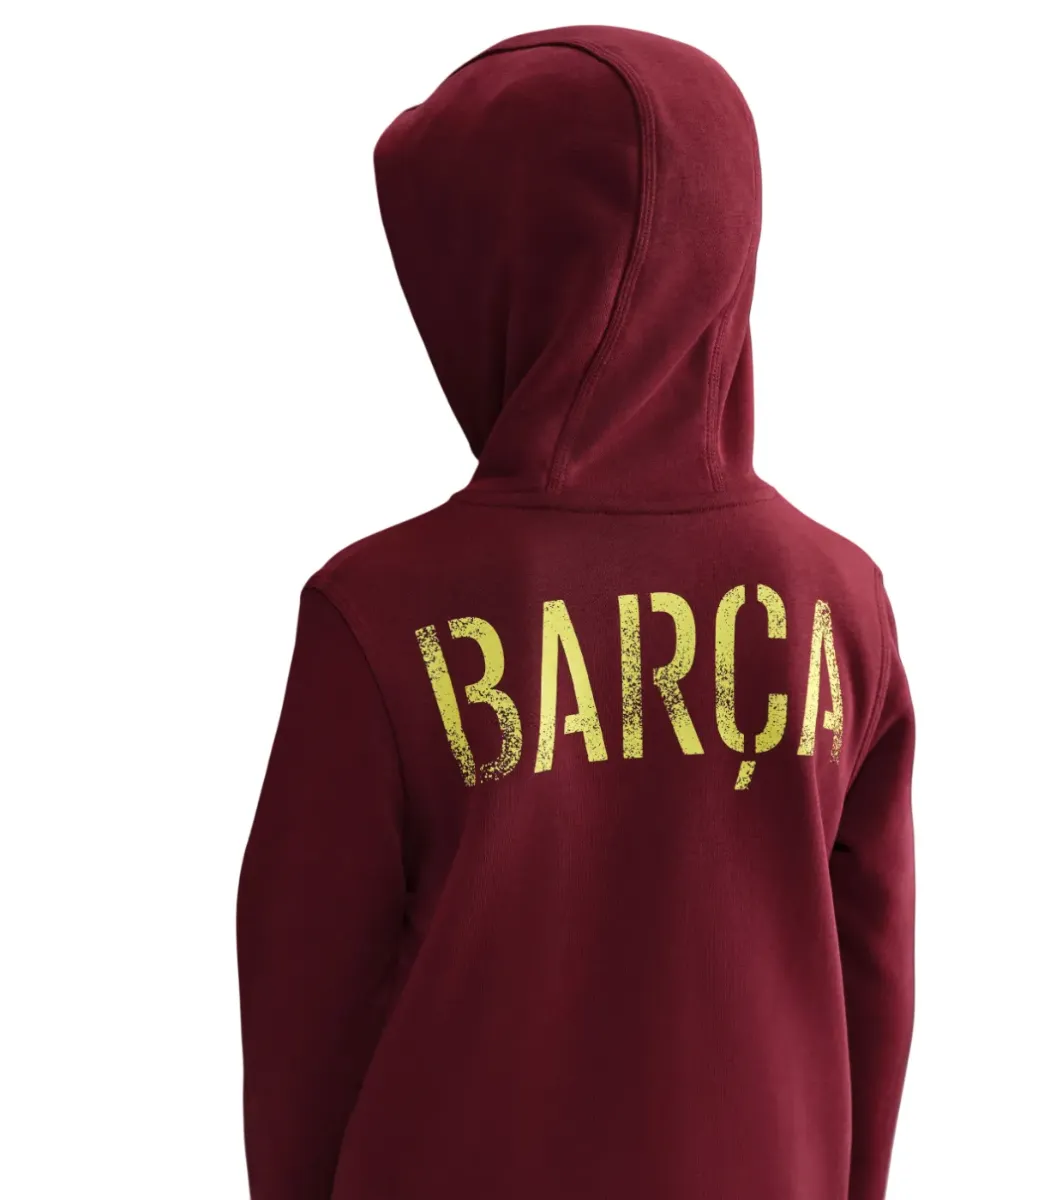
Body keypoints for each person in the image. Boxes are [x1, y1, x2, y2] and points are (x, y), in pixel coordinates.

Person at [237, 24, 916, 1200]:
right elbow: (878, 966)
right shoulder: (839, 601)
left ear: (492, 278)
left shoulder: (379, 615)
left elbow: (303, 1011)